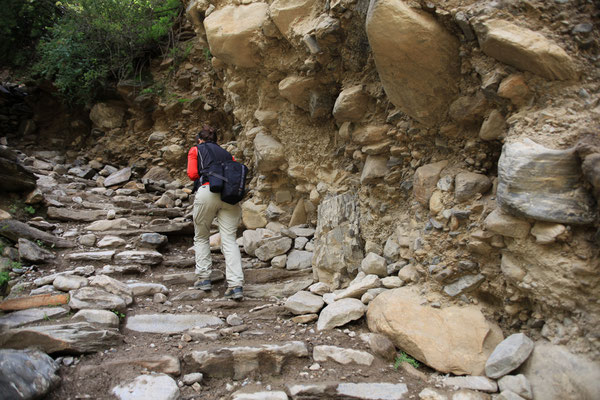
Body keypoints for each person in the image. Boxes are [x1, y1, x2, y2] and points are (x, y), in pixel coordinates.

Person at [187, 125, 244, 300]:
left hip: (207, 191)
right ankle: (235, 285)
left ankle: (204, 278)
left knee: (202, 236)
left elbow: (192, 174)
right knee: (229, 240)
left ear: (199, 139)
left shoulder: (196, 150)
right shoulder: (227, 155)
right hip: (230, 197)